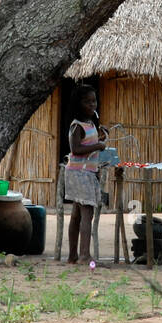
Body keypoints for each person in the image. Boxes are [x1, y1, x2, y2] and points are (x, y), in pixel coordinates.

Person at [64, 85, 108, 265]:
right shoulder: (77, 126)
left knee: (76, 214)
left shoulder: (89, 124)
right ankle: (84, 256)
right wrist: (97, 146)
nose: (92, 105)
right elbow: (75, 149)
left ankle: (73, 255)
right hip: (80, 174)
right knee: (86, 213)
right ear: (78, 104)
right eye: (87, 101)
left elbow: (86, 144)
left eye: (94, 101)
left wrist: (100, 139)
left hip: (80, 173)